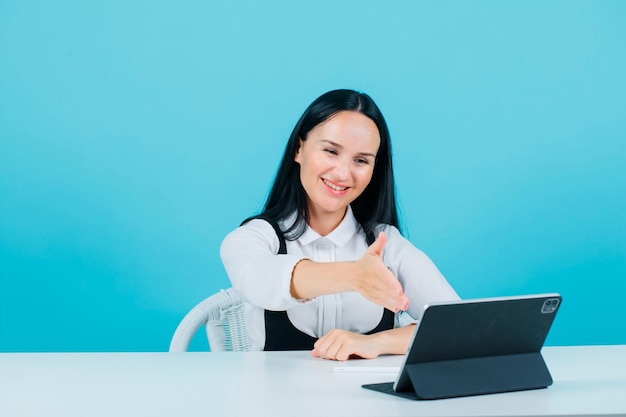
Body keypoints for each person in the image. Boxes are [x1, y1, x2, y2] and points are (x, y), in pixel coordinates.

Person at [220, 89, 459, 361]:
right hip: (274, 401)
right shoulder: (253, 238)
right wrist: (354, 275)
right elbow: (259, 279)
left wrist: (378, 343)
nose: (343, 174)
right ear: (299, 149)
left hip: (370, 403)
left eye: (361, 160)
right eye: (331, 151)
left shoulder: (386, 243)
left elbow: (458, 325)